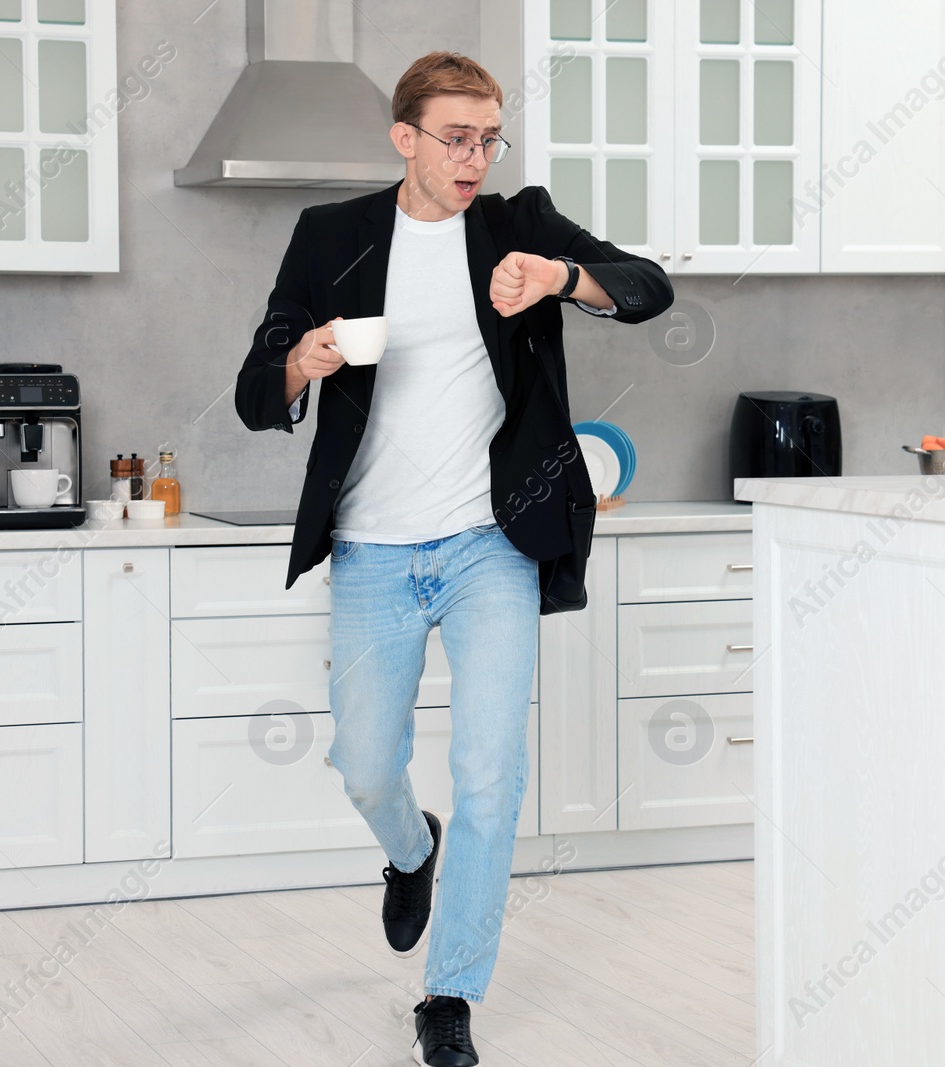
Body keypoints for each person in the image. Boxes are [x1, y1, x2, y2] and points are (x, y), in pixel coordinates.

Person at [234, 50, 673, 1067]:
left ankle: (449, 994)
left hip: (491, 544)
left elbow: (649, 290)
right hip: (373, 549)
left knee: (491, 773)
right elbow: (260, 384)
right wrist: (304, 358)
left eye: (489, 137)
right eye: (455, 138)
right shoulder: (331, 236)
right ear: (405, 139)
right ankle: (408, 849)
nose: (475, 157)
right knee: (365, 762)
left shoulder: (518, 226)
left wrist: (565, 278)